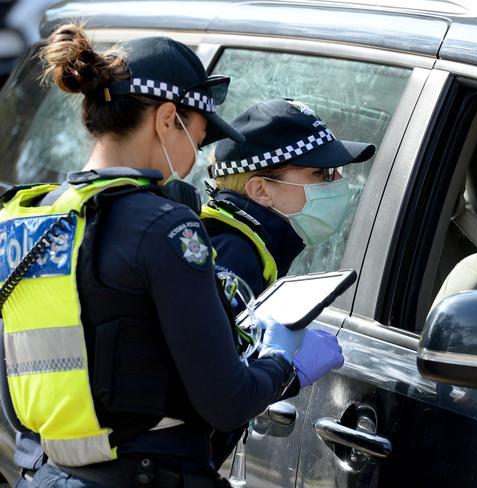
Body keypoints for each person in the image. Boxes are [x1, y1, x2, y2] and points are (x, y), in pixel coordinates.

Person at [0, 24, 341, 487]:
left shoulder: (22, 218)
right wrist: (283, 360)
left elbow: (15, 397)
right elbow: (226, 401)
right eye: (197, 138)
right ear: (166, 120)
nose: (196, 156)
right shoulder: (165, 226)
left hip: (49, 474)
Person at [200, 98, 375, 466]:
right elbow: (211, 388)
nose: (340, 184)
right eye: (321, 174)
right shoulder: (233, 255)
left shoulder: (249, 245)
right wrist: (286, 374)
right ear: (261, 190)